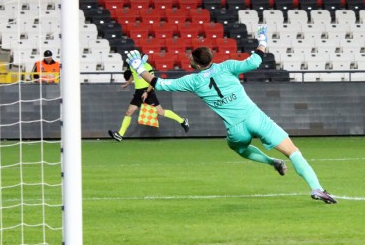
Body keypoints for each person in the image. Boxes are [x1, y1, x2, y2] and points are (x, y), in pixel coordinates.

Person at [124, 25, 337, 204]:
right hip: (256, 118)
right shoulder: (227, 66)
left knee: (239, 148)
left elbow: (160, 84)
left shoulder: (193, 80)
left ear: (196, 64)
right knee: (293, 152)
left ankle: (271, 162)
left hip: (235, 129)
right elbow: (255, 62)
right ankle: (316, 188)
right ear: (211, 57)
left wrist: (139, 68)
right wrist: (262, 41)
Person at [108, 58, 190, 142]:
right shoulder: (133, 66)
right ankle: (120, 135)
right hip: (138, 92)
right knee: (129, 112)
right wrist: (127, 84)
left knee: (160, 112)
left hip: (148, 92)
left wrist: (147, 92)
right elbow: (133, 75)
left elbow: (152, 80)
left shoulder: (146, 66)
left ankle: (183, 121)